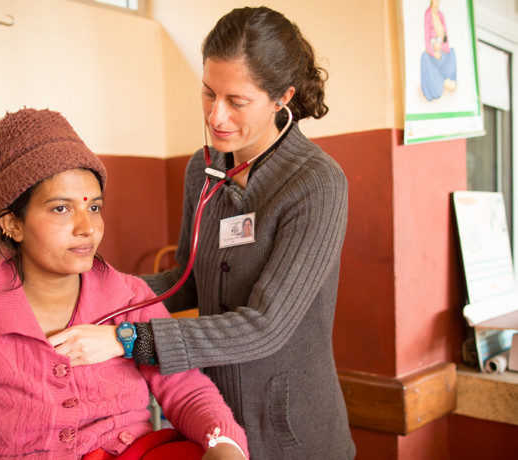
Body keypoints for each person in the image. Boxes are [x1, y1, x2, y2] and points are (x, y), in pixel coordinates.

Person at [49, 7, 355, 458]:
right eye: (209, 93)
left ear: (281, 98)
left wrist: (128, 339)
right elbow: (187, 279)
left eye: (237, 101)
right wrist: (89, 291)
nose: (217, 116)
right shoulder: (204, 169)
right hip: (215, 422)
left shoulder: (316, 184)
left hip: (291, 433)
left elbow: (266, 327)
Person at [0, 109, 248, 459]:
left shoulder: (130, 299)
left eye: (95, 207)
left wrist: (224, 443)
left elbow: (185, 388)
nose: (87, 228)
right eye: (61, 208)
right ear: (12, 224)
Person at [420, 0, 457, 101]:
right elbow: (427, 39)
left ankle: (449, 80)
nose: (436, 4)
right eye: (435, 2)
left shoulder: (440, 15)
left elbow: (446, 39)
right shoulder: (428, 15)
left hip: (441, 51)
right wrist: (433, 52)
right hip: (433, 53)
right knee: (425, 58)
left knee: (451, 52)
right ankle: (441, 83)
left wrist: (443, 49)